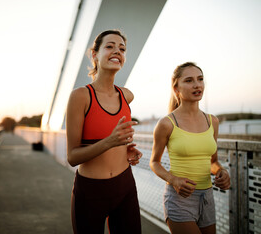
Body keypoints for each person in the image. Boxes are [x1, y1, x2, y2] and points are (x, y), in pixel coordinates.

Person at [66, 29, 142, 233]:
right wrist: (110, 142)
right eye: (109, 46)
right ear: (94, 55)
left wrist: (125, 150)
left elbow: (117, 141)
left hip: (125, 187)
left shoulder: (127, 96)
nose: (117, 51)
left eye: (122, 49)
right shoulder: (80, 96)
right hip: (90, 193)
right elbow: (72, 157)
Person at [149, 62, 231, 234]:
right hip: (179, 199)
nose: (197, 85)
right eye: (189, 80)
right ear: (176, 88)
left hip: (207, 198)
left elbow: (213, 162)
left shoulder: (212, 121)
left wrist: (221, 171)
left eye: (200, 79)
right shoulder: (166, 123)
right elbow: (154, 162)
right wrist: (174, 180)